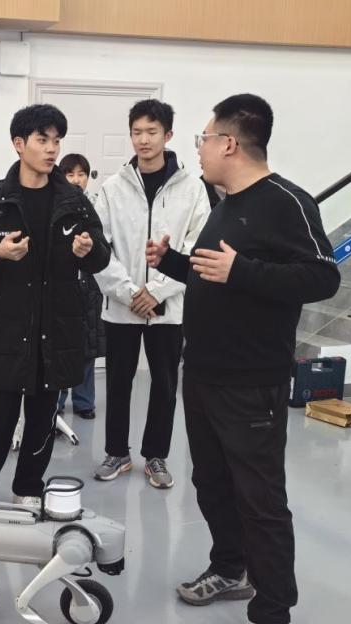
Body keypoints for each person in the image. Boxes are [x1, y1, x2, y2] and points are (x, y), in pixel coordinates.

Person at [147, 94, 340, 624]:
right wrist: (173, 263)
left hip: (252, 383)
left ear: (229, 143)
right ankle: (230, 568)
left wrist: (244, 270)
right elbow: (218, 274)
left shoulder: (287, 202)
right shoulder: (225, 203)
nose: (199, 149)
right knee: (210, 482)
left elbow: (323, 277)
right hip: (204, 373)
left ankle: (273, 616)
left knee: (261, 499)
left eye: (204, 138)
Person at [0, 104, 110, 514]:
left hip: (56, 332)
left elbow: (101, 256)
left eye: (56, 140)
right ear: (19, 144)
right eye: (43, 140)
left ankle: (28, 488)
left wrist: (88, 249)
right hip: (8, 332)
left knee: (42, 421)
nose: (52, 149)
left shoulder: (74, 202)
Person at [92, 99, 210, 489]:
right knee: (118, 382)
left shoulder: (192, 189)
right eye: (137, 132)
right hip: (122, 307)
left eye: (151, 132)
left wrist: (158, 291)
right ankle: (117, 452)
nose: (143, 140)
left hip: (169, 308)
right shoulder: (113, 188)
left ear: (168, 135)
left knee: (164, 384)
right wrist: (129, 293)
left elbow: (196, 248)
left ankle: (156, 455)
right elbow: (99, 248)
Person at [56, 152, 103, 420]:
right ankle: (57, 403)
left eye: (81, 174)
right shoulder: (55, 205)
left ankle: (84, 402)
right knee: (60, 348)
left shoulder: (96, 206)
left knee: (87, 347)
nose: (76, 179)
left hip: (90, 286)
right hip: (62, 286)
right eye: (70, 174)